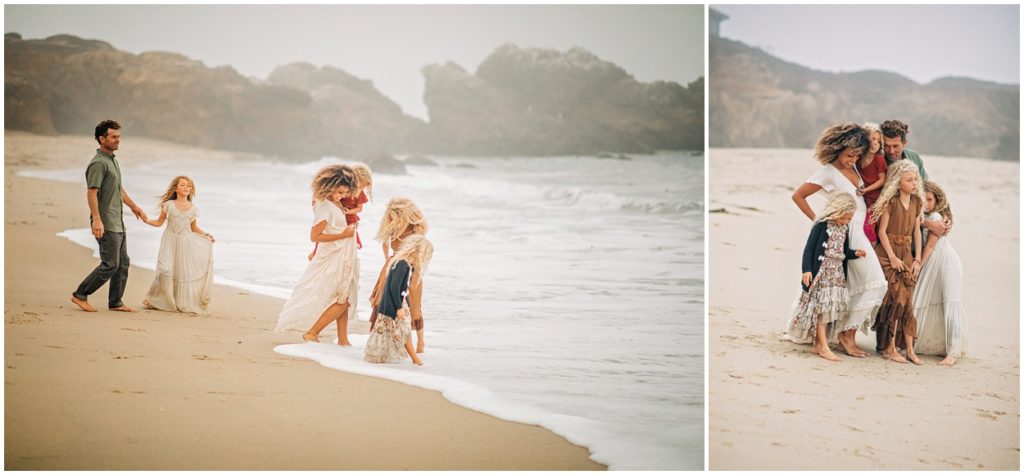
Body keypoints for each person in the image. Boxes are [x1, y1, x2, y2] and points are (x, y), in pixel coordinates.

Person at [791, 123, 887, 357]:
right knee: (877, 282)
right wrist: (819, 221)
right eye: (848, 154)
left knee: (851, 284)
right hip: (844, 230)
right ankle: (844, 335)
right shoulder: (827, 171)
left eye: (856, 154)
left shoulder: (856, 168)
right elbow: (798, 195)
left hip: (858, 230)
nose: (852, 158)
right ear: (836, 149)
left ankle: (842, 333)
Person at [70, 119, 149, 313]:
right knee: (110, 264)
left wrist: (134, 207)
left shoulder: (112, 161)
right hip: (106, 222)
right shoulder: (98, 163)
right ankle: (80, 294)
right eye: (113, 137)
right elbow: (91, 192)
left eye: (119, 136)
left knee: (123, 263)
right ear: (101, 138)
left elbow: (118, 189)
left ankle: (115, 302)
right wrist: (97, 219)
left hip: (117, 221)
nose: (117, 140)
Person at [275, 165, 359, 345]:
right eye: (339, 192)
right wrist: (344, 234)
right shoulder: (324, 206)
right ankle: (312, 333)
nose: (342, 196)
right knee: (343, 300)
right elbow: (315, 236)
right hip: (332, 258)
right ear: (329, 187)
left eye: (345, 192)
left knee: (345, 298)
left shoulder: (335, 204)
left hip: (342, 255)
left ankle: (343, 339)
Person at [789, 193, 866, 362]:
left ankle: (819, 344)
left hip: (836, 273)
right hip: (822, 272)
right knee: (821, 308)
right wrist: (806, 270)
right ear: (836, 211)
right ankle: (823, 347)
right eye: (844, 218)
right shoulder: (822, 225)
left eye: (849, 219)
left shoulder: (844, 228)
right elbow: (809, 249)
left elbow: (843, 252)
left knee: (828, 308)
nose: (846, 222)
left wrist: (855, 253)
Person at [870, 161, 925, 364]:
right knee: (897, 299)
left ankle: (909, 349)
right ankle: (889, 347)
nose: (914, 183)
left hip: (907, 255)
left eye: (916, 179)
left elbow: (917, 232)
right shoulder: (891, 202)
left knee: (908, 302)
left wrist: (918, 259)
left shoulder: (917, 203)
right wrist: (892, 257)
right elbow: (882, 231)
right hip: (888, 253)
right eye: (909, 180)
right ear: (898, 182)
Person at [140, 176, 215, 314]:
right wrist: (146, 220)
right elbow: (159, 223)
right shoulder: (169, 205)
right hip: (169, 240)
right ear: (176, 188)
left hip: (185, 242)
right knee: (165, 269)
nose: (186, 187)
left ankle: (177, 300)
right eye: (182, 185)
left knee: (181, 272)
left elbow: (194, 228)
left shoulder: (193, 209)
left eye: (188, 186)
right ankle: (153, 298)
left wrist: (206, 235)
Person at [912, 181, 967, 366]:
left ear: (936, 201)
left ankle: (953, 352)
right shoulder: (920, 217)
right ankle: (933, 345)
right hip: (931, 263)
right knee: (927, 301)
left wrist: (919, 265)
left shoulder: (936, 217)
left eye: (929, 199)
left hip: (945, 262)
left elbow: (930, 246)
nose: (926, 203)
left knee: (950, 302)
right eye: (923, 199)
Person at [368, 196, 430, 352]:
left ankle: (420, 342)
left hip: (411, 270)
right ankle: (385, 340)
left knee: (414, 307)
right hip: (392, 266)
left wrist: (413, 268)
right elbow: (385, 243)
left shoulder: (417, 230)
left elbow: (419, 253)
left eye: (395, 215)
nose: (391, 218)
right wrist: (387, 258)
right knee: (382, 301)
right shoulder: (393, 228)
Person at [364, 234, 433, 366]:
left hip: (397, 303)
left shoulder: (400, 262)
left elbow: (401, 288)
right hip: (394, 304)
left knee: (398, 330)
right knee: (403, 331)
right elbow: (394, 287)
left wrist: (405, 302)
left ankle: (409, 358)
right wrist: (399, 307)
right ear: (416, 252)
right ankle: (415, 360)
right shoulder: (403, 265)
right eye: (422, 256)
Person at [307, 163, 373, 259]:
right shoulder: (338, 192)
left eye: (362, 188)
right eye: (359, 186)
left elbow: (359, 208)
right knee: (329, 244)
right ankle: (315, 254)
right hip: (336, 220)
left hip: (348, 219)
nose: (360, 189)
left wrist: (349, 214)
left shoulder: (351, 193)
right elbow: (326, 205)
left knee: (349, 245)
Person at [856, 122, 887, 243]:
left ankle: (872, 252)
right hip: (861, 198)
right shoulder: (858, 158)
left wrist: (866, 190)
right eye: (873, 139)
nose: (875, 143)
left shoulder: (879, 159)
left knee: (868, 228)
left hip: (875, 200)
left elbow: (882, 180)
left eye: (878, 141)